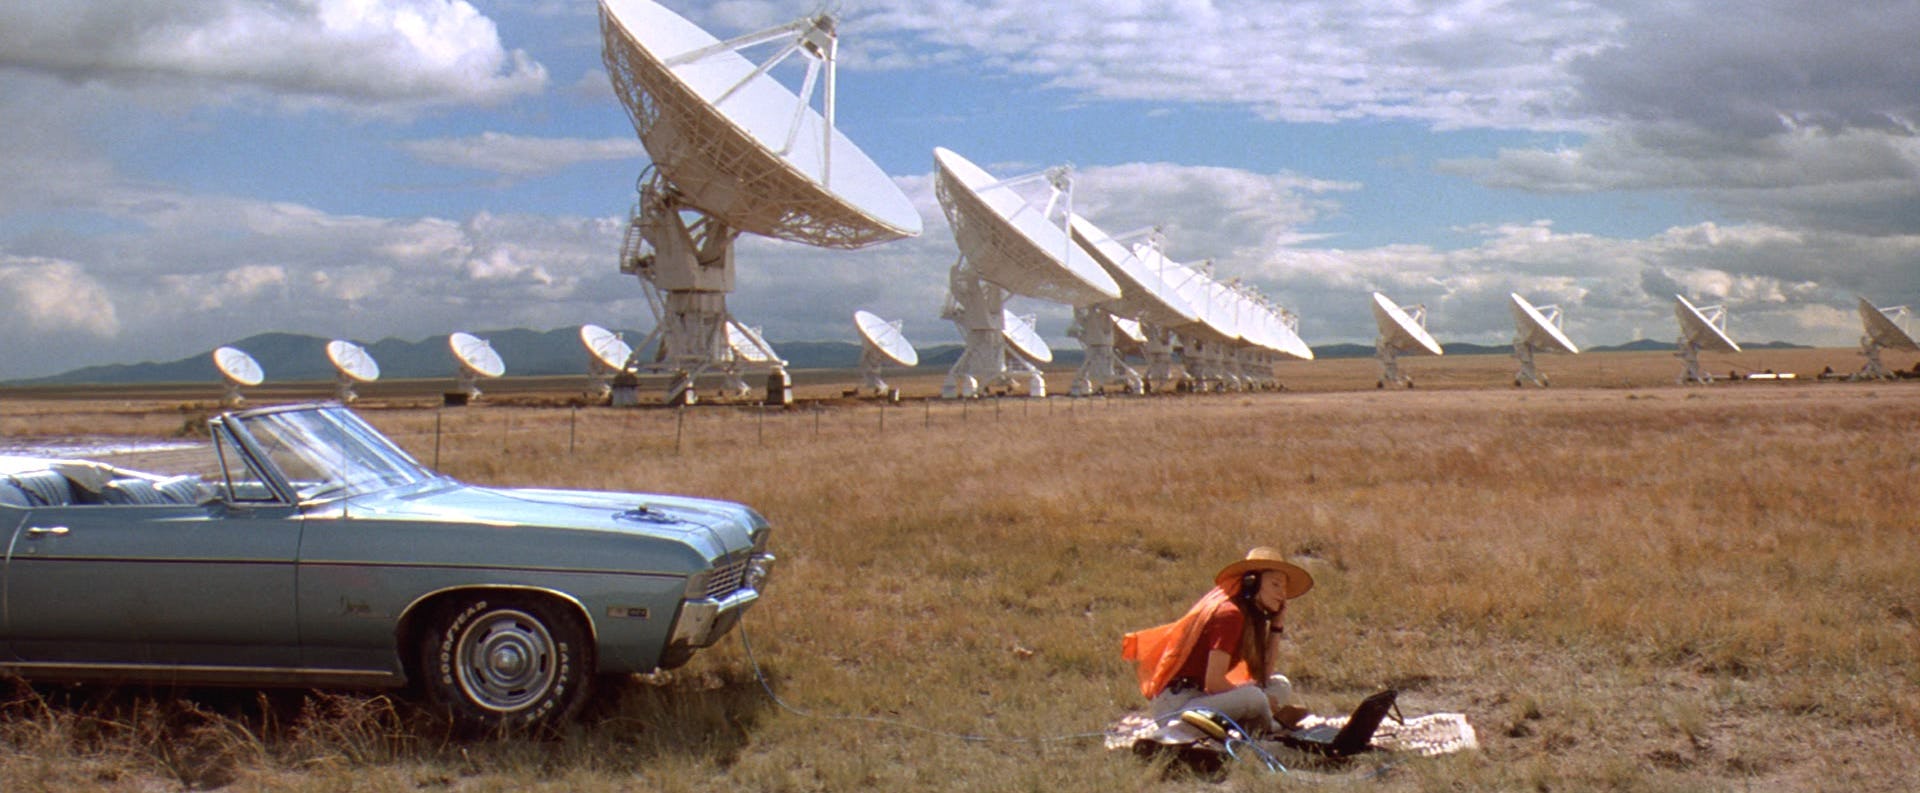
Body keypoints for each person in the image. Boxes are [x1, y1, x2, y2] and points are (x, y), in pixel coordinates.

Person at [1121, 547, 1313, 736]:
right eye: (1276, 585)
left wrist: (1276, 626)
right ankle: (1272, 726)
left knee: (1280, 684)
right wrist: (1261, 700)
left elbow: (1264, 675)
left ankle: (1251, 723)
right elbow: (1214, 683)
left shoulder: (1251, 618)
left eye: (1284, 588)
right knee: (1254, 697)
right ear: (1252, 583)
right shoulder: (1229, 615)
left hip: (1201, 698)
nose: (1282, 594)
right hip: (1178, 704)